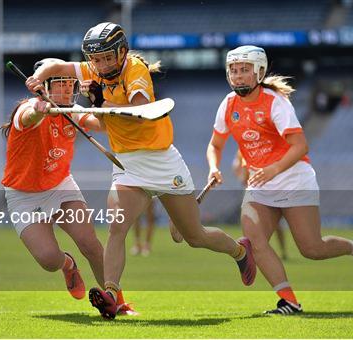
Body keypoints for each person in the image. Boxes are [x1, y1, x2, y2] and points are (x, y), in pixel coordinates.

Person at [26, 22, 256, 320]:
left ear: (122, 52)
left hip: (162, 161)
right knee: (117, 228)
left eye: (108, 57)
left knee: (193, 236)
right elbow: (60, 66)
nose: (101, 64)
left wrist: (98, 101)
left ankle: (240, 252)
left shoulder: (135, 71)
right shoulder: (94, 70)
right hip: (127, 165)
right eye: (95, 59)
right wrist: (38, 78)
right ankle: (111, 295)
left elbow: (138, 114)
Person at [207, 45, 353, 315]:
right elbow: (215, 145)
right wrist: (213, 167)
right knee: (255, 240)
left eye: (244, 70)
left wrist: (273, 169)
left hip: (293, 180)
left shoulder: (275, 102)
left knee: (312, 248)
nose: (238, 76)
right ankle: (288, 300)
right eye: (233, 70)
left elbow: (301, 146)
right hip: (260, 186)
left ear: (259, 72)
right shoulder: (228, 104)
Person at [1, 59, 135, 314]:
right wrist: (40, 109)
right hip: (23, 196)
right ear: (45, 87)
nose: (65, 90)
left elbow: (105, 125)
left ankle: (117, 302)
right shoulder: (28, 109)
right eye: (58, 84)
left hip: (61, 186)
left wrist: (97, 100)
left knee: (91, 244)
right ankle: (67, 265)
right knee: (49, 260)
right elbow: (29, 117)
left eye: (68, 84)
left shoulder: (72, 111)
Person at [232, 150, 288, 260]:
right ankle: (255, 251)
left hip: (270, 189)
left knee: (274, 224)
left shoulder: (267, 148)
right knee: (253, 222)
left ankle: (278, 251)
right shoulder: (243, 150)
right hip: (254, 189)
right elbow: (237, 165)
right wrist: (243, 178)